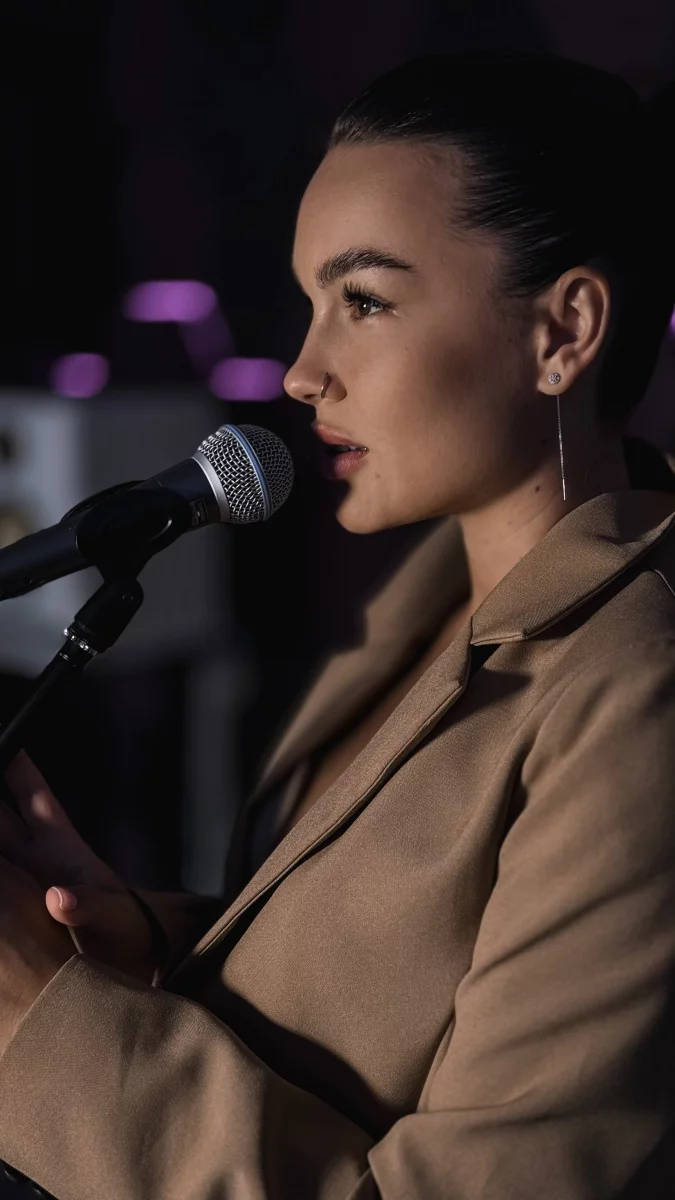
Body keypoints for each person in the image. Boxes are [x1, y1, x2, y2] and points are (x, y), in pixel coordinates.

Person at [1, 49, 675, 1199]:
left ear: (565, 330)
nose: (303, 373)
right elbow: (404, 995)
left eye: (362, 301)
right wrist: (148, 942)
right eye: (313, 304)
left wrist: (37, 1026)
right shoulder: (425, 611)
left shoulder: (640, 697)